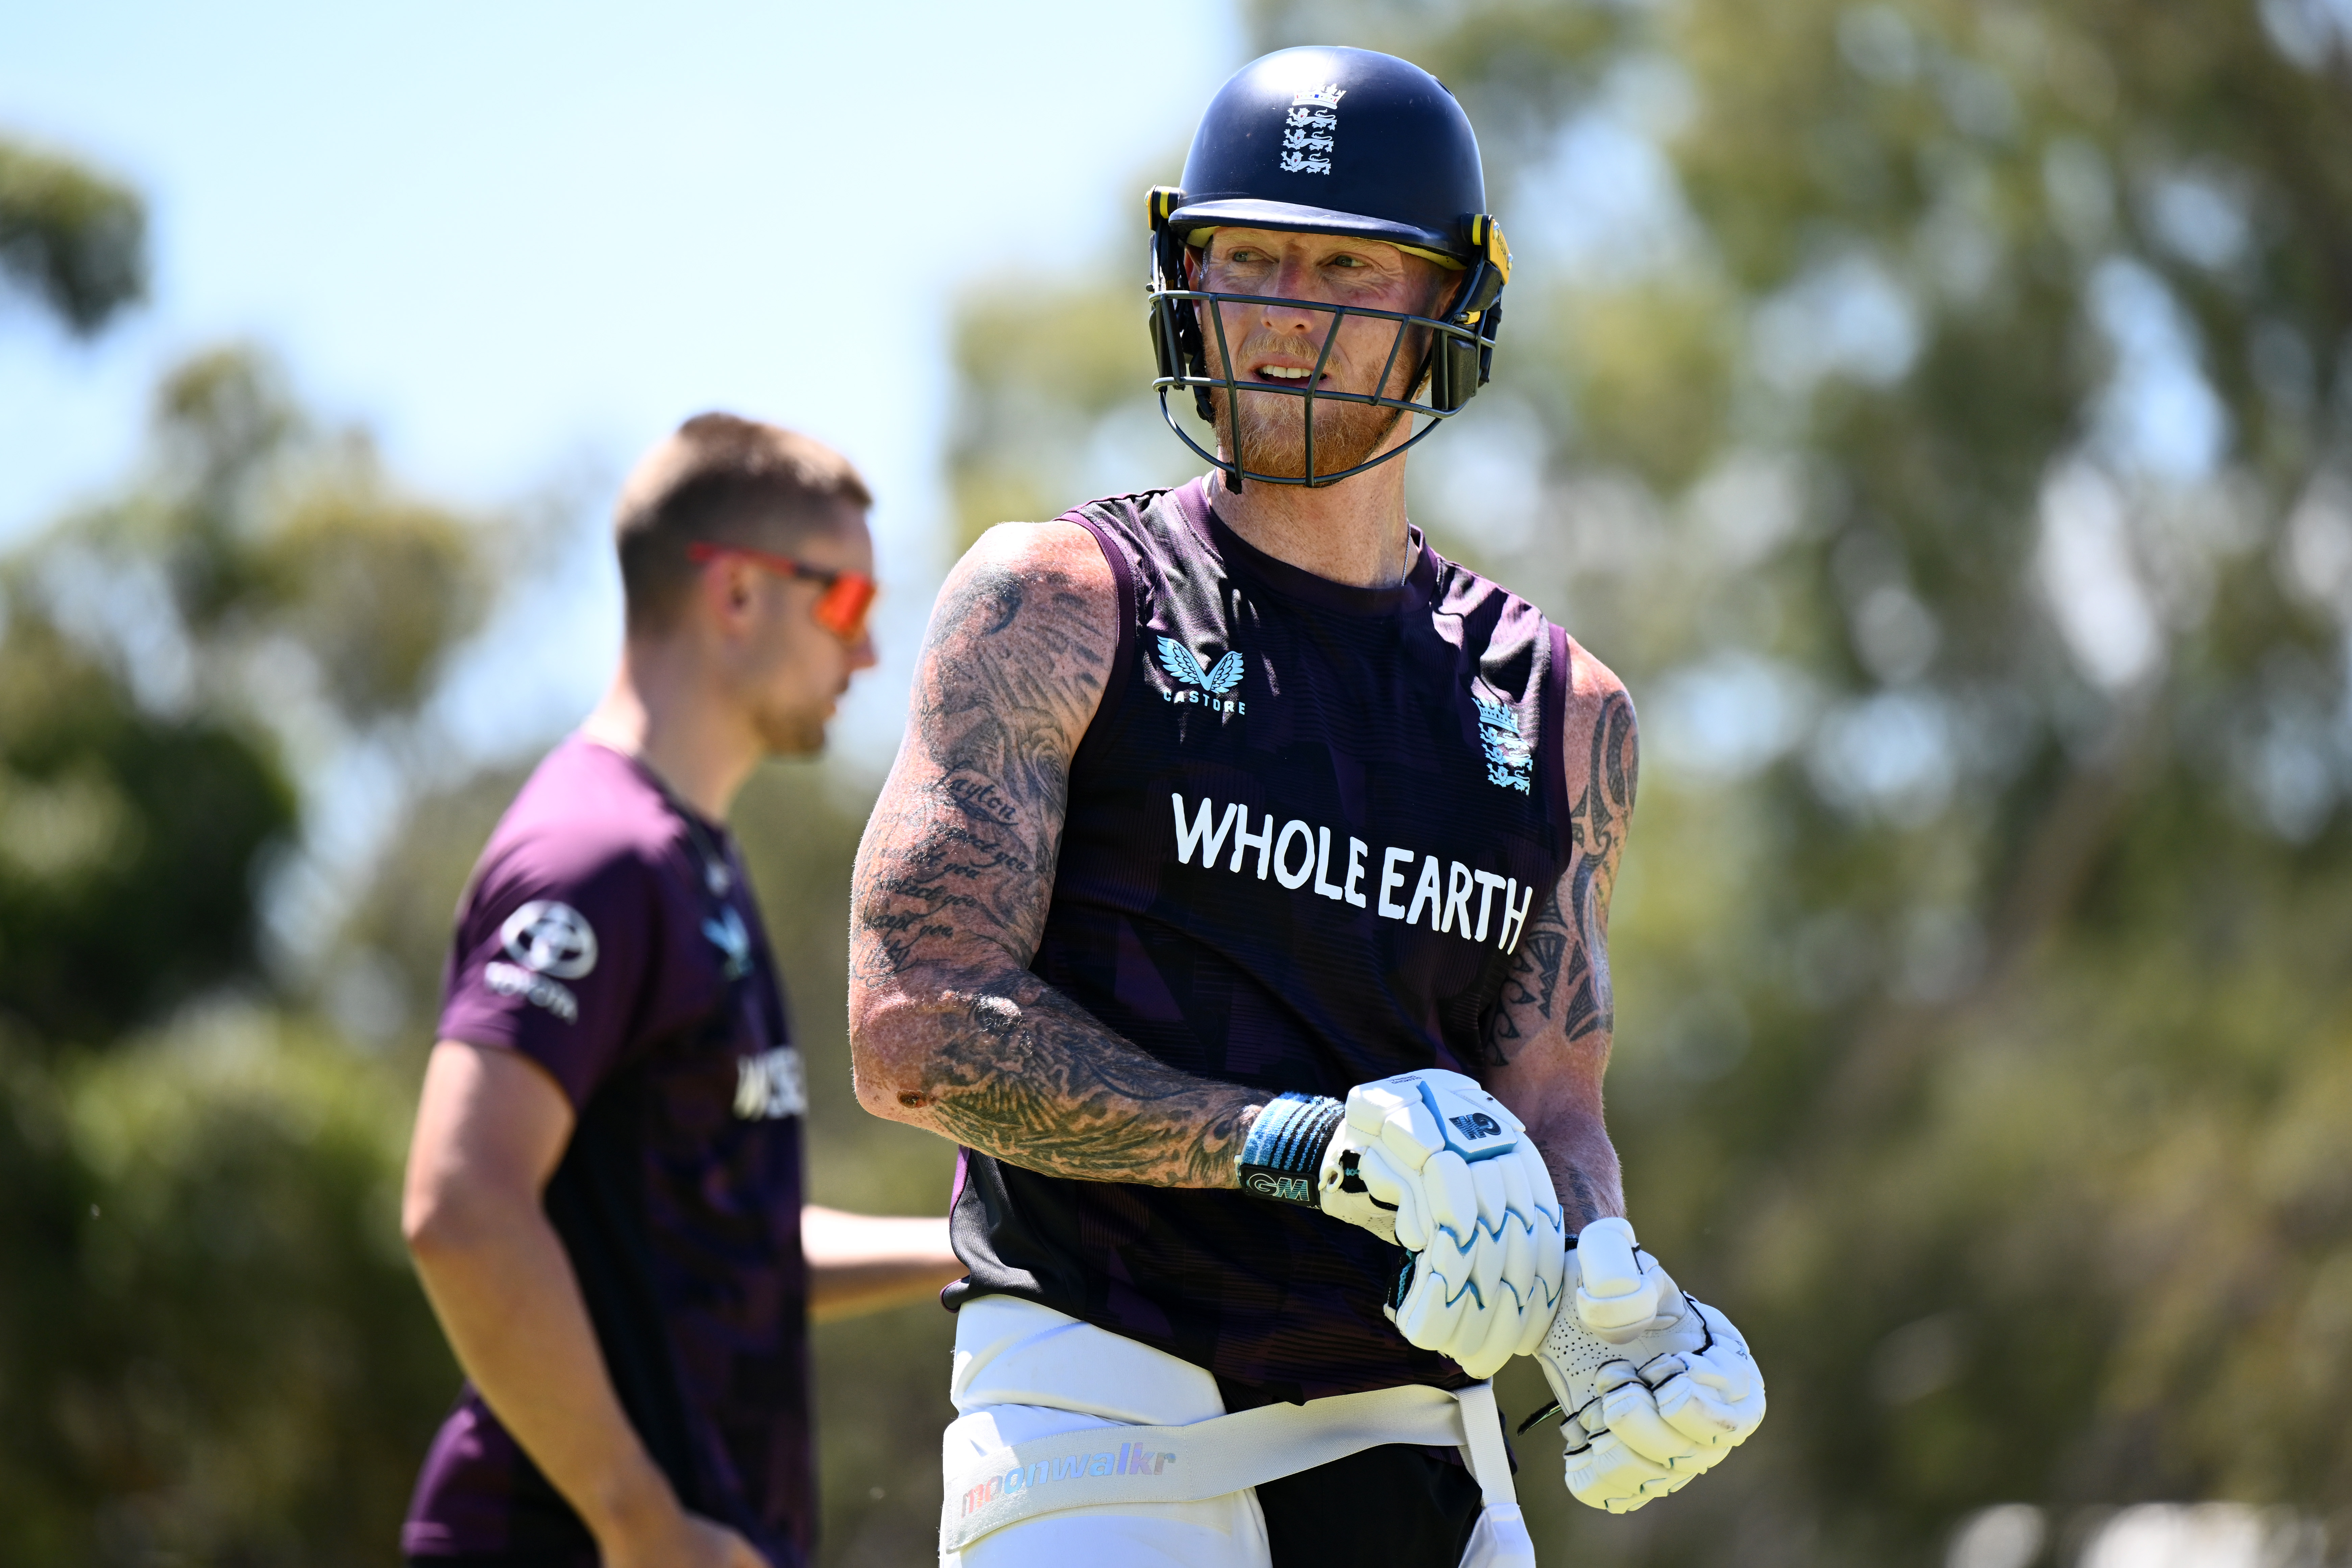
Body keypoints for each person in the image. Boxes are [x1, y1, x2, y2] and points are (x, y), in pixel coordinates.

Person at [848, 45, 1766, 1568]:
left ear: (1450, 306)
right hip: (1103, 1429)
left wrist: (1604, 1290)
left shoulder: (1561, 707)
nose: (1282, 312)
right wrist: (1295, 1145)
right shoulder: (1060, 602)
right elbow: (914, 1025)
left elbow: (1548, 1104)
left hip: (1431, 1447)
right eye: (1246, 254)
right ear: (1184, 275)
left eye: (1344, 266)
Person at [400, 413, 965, 1568]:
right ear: (741, 595)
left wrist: (979, 1247)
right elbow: (461, 1207)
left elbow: (719, 1242)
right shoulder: (595, 857)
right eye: (849, 604)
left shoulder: (688, 857)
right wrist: (635, 1518)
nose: (868, 655)